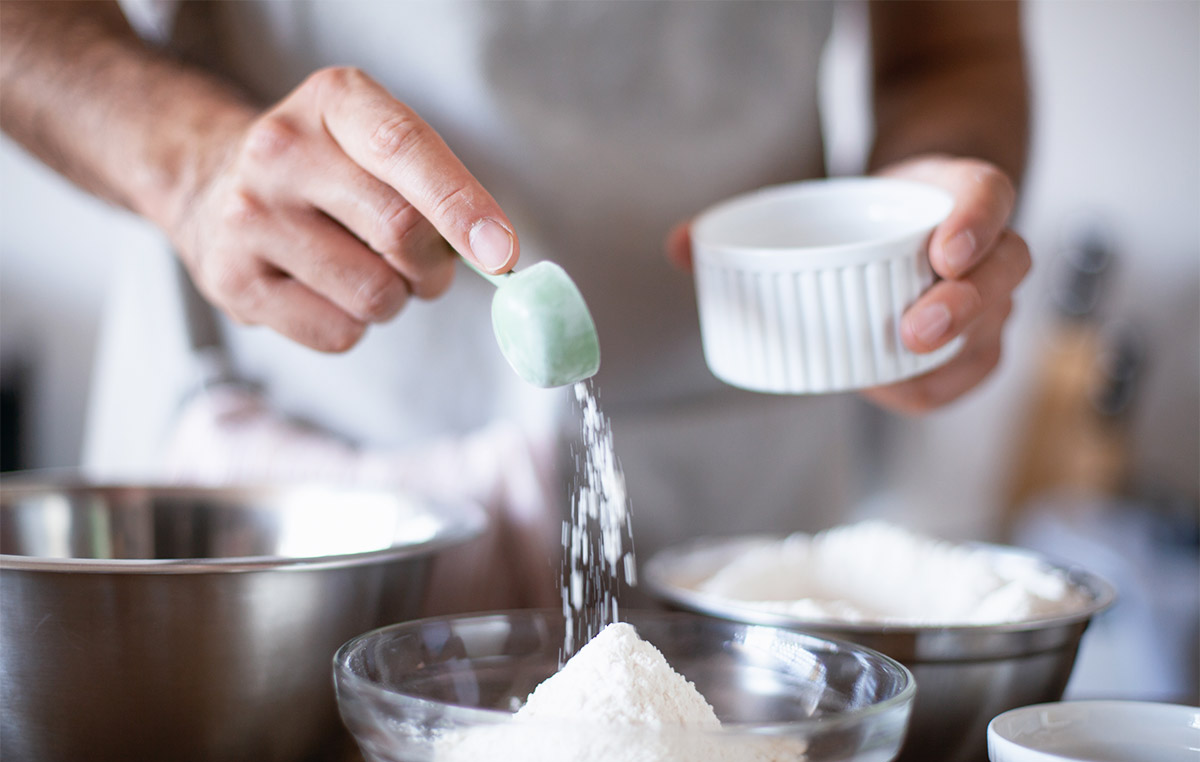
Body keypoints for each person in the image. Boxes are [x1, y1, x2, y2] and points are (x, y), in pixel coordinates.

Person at [0, 0, 1031, 610]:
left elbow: (952, 41)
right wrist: (189, 163)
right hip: (282, 467)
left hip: (728, 480)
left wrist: (917, 223)